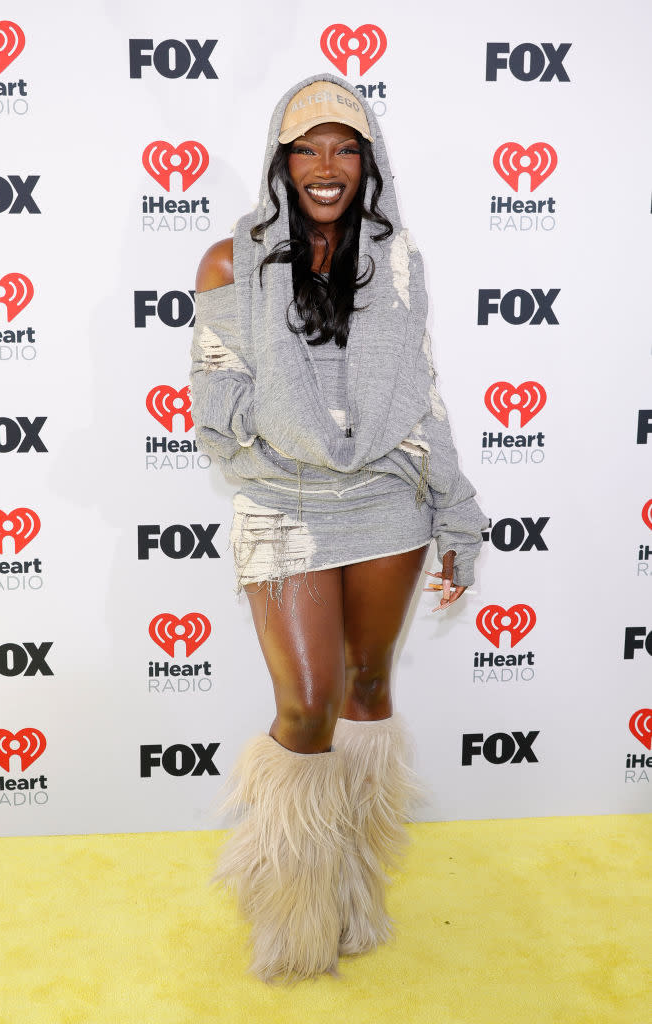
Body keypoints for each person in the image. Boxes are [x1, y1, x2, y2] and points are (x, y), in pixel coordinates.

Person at [189, 73, 489, 983]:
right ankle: (292, 915)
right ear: (282, 161)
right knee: (307, 705)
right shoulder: (226, 263)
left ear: (368, 162)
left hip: (385, 503)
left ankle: (351, 896)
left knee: (364, 687)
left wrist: (456, 512)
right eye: (308, 147)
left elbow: (422, 398)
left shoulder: (398, 265)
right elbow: (215, 403)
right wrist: (294, 453)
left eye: (345, 147)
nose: (327, 165)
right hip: (283, 502)